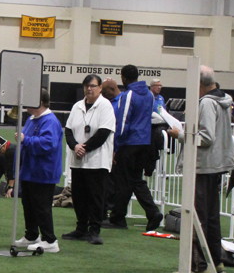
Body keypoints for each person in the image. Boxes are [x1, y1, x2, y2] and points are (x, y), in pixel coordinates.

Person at [180, 66, 234, 273]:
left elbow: (206, 137)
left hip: (203, 166)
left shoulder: (206, 103)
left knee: (198, 217)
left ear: (199, 84)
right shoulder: (224, 101)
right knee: (211, 217)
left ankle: (200, 265)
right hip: (216, 165)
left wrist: (180, 135)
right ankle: (216, 263)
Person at [104, 64, 163, 231]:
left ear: (123, 78)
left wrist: (116, 146)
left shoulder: (128, 95)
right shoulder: (149, 94)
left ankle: (118, 218)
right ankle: (152, 213)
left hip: (129, 143)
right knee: (135, 180)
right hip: (145, 143)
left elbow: (123, 123)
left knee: (122, 181)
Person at [63, 74, 114, 245]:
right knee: (79, 196)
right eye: (86, 86)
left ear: (100, 88)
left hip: (97, 160)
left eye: (92, 86)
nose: (89, 89)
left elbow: (103, 133)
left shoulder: (105, 106)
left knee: (95, 197)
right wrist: (75, 146)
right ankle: (81, 228)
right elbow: (68, 131)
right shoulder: (77, 106)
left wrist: (84, 148)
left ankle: (94, 230)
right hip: (78, 160)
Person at [12, 88, 63, 253]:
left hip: (43, 171)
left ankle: (50, 239)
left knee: (41, 206)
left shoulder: (50, 121)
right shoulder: (32, 119)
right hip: (30, 170)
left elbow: (48, 144)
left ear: (39, 102)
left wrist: (25, 139)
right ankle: (32, 234)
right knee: (28, 204)